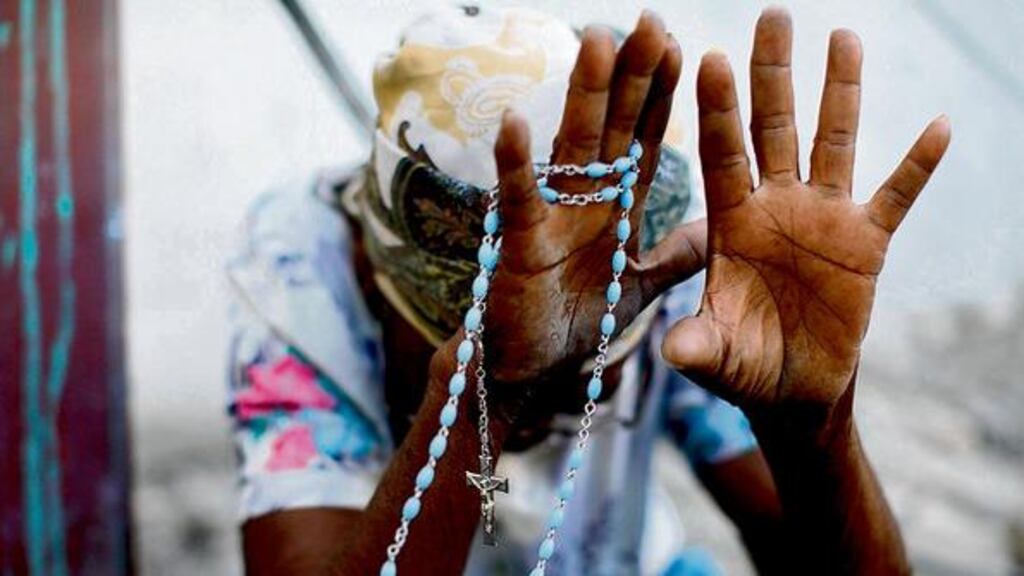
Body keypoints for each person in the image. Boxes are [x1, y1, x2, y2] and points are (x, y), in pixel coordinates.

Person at [226, 6, 949, 575]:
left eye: (594, 361)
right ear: (371, 278)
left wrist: (814, 431)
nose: (565, 382)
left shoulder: (641, 255)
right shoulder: (303, 262)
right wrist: (493, 383)